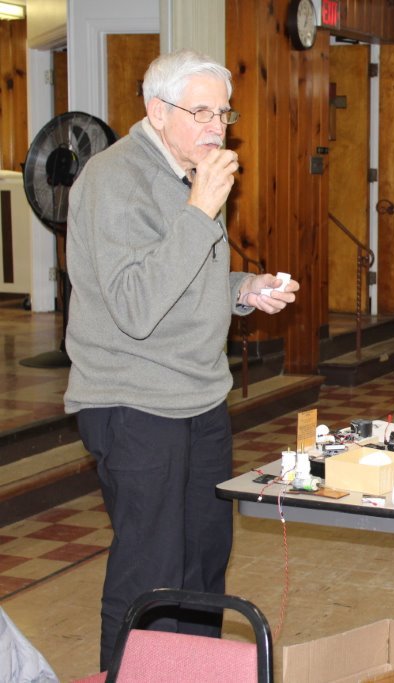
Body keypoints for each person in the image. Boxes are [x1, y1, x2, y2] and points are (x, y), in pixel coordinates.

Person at [63, 49, 300, 669]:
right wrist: (200, 210)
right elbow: (135, 305)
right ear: (157, 111)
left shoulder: (187, 176)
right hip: (135, 403)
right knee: (151, 575)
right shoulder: (115, 180)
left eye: (223, 113)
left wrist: (244, 290)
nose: (216, 127)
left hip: (199, 398)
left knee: (202, 567)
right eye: (201, 112)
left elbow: (187, 279)